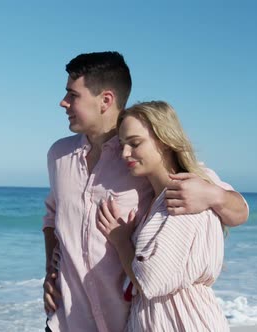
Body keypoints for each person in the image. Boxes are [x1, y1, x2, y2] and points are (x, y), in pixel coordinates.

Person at [43, 51, 247, 332]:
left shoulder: (145, 160)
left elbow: (238, 211)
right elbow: (53, 218)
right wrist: (50, 273)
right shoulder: (58, 155)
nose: (63, 102)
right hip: (67, 322)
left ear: (105, 100)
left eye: (72, 95)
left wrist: (215, 196)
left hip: (128, 321)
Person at [97, 101, 230, 331]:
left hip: (183, 321)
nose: (125, 153)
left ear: (164, 141)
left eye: (135, 143)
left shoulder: (184, 193)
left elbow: (150, 281)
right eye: (122, 145)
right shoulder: (157, 199)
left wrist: (121, 242)